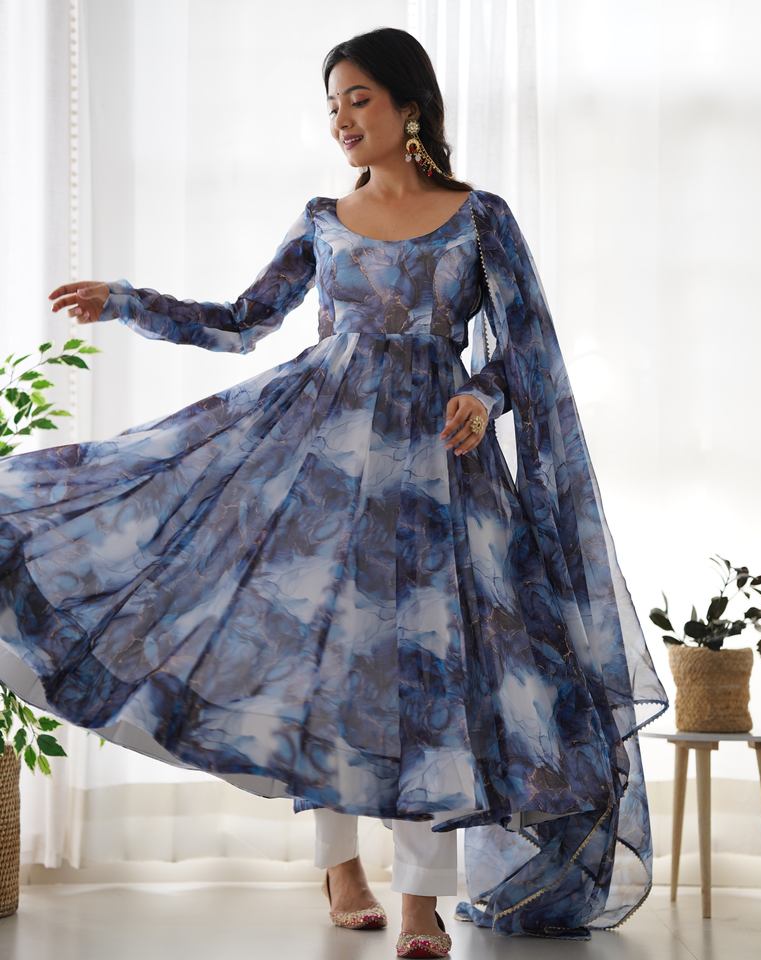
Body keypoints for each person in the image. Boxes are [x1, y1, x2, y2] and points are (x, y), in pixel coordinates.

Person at [0, 25, 669, 957]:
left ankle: (421, 899)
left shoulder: (481, 218)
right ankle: (339, 865)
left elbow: (528, 350)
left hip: (441, 479)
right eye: (332, 105)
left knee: (434, 678)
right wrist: (127, 301)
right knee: (336, 665)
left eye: (359, 99)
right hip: (320, 471)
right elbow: (243, 322)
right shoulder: (323, 219)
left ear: (410, 108)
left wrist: (481, 395)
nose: (342, 119)